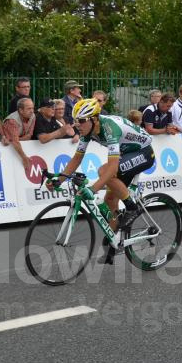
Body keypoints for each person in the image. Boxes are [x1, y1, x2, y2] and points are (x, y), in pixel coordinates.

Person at [47, 99, 154, 264]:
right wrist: (59, 180)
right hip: (126, 154)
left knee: (103, 171)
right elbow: (76, 159)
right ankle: (114, 244)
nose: (78, 125)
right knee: (109, 200)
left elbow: (111, 168)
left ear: (94, 119)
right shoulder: (87, 131)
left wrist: (93, 188)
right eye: (76, 121)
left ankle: (133, 208)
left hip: (143, 152)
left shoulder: (109, 128)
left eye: (81, 121)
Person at [1, 97, 35, 171]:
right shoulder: (12, 121)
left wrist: (14, 139)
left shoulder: (33, 116)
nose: (32, 111)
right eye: (29, 109)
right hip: (4, 149)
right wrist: (24, 157)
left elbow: (29, 136)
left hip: (15, 148)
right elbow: (15, 142)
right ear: (21, 110)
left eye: (32, 108)